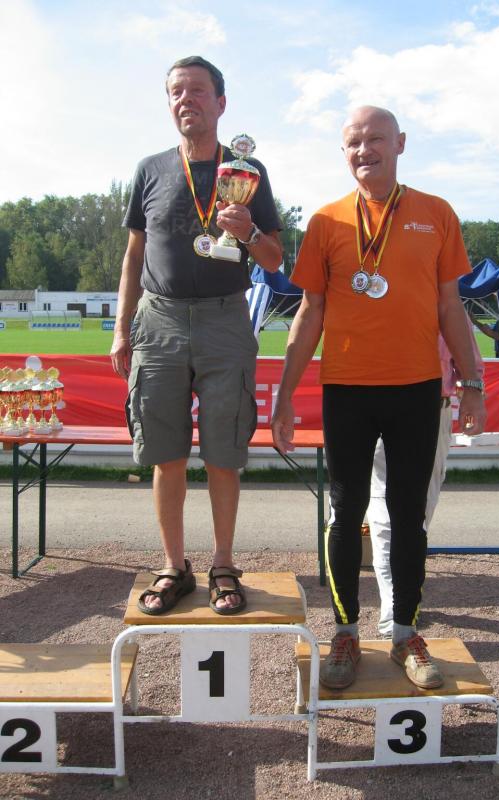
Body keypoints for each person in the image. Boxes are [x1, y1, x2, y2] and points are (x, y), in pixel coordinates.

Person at [271, 106, 486, 690]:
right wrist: (285, 395)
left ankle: (404, 634)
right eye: (353, 142)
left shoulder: (436, 214)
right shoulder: (325, 220)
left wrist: (471, 383)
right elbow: (309, 312)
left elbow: (451, 307)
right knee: (345, 513)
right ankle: (344, 632)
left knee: (408, 515)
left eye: (375, 139)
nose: (364, 150)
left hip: (417, 388)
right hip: (347, 388)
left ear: (400, 143)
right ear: (344, 152)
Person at [111, 56, 282, 615]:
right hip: (158, 321)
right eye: (177, 92)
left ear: (221, 103)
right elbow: (134, 254)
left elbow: (274, 259)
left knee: (223, 452)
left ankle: (224, 564)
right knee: (165, 452)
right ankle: (173, 566)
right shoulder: (151, 169)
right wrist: (121, 328)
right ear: (169, 104)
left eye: (198, 91)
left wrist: (248, 231)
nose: (187, 100)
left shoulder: (248, 170)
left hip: (225, 319)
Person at [368, 325, 484, 638]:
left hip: (434, 407)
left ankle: (403, 596)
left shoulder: (444, 300)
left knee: (419, 512)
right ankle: (394, 607)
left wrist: (473, 392)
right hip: (376, 403)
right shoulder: (371, 295)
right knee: (383, 512)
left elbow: (468, 355)